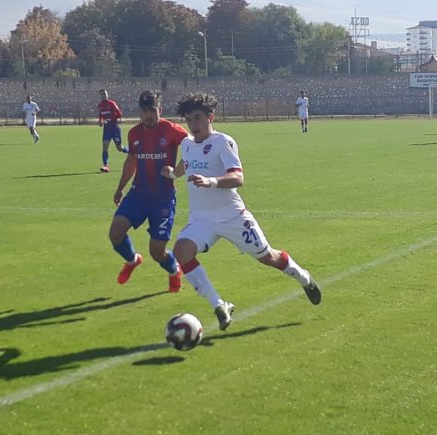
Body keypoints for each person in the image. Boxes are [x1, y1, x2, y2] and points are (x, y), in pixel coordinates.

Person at [162, 92, 322, 331]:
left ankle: (303, 277)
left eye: (197, 118)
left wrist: (211, 181)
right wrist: (174, 174)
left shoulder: (223, 142)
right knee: (181, 251)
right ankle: (220, 304)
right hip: (202, 219)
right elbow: (187, 163)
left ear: (210, 117)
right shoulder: (186, 144)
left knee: (268, 257)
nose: (193, 125)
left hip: (232, 216)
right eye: (189, 119)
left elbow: (238, 177)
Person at [109, 90, 189, 293]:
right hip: (138, 194)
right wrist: (120, 188)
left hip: (163, 199)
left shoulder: (171, 130)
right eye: (145, 112)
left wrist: (176, 173)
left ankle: (173, 270)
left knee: (157, 252)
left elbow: (192, 149)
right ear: (140, 112)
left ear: (159, 109)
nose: (149, 116)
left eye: (152, 111)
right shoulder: (134, 133)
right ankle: (132, 259)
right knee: (115, 232)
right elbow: (132, 160)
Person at [97, 89, 130, 172]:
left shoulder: (112, 104)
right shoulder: (100, 105)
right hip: (107, 130)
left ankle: (133, 151)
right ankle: (106, 166)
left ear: (107, 94)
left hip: (115, 128)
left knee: (119, 148)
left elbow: (119, 114)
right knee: (105, 147)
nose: (103, 95)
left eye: (104, 94)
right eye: (101, 94)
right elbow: (101, 115)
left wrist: (110, 119)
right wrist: (100, 121)